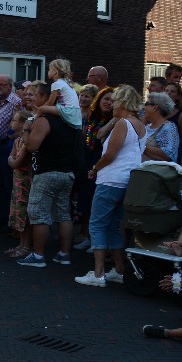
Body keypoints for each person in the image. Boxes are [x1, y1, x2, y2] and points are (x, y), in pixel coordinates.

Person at [74, 84, 146, 287]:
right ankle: (119, 269)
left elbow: (110, 155)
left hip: (111, 180)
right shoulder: (138, 123)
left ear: (122, 102)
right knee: (114, 226)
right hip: (127, 181)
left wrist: (95, 168)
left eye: (115, 100)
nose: (111, 103)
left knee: (97, 225)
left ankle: (98, 274)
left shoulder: (123, 123)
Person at [17, 82, 80, 268]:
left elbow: (32, 146)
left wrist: (27, 130)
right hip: (66, 172)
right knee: (63, 214)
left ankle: (38, 256)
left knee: (38, 214)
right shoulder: (68, 119)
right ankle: (64, 254)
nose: (30, 98)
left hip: (47, 173)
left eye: (34, 95)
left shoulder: (44, 119)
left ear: (46, 97)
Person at [74, 87, 114, 250]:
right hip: (87, 161)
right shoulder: (91, 117)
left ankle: (97, 240)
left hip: (102, 164)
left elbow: (102, 139)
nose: (108, 103)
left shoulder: (115, 120)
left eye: (112, 100)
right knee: (86, 201)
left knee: (97, 204)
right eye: (106, 99)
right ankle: (86, 235)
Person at [0, 75, 23, 229]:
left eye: (2, 84)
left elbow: (19, 124)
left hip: (7, 145)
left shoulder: (16, 102)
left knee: (8, 183)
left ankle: (9, 219)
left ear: (10, 86)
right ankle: (0, 217)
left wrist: (10, 137)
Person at [5, 111, 34, 258]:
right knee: (18, 212)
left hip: (25, 182)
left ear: (23, 124)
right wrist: (12, 159)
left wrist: (12, 159)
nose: (12, 123)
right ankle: (21, 244)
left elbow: (15, 161)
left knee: (24, 213)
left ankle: (26, 246)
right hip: (17, 181)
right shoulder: (18, 140)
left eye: (15, 120)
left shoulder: (26, 143)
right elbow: (11, 158)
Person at [35, 58, 82, 129]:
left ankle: (33, 121)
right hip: (75, 111)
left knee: (41, 109)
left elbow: (50, 102)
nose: (48, 71)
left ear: (54, 72)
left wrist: (41, 108)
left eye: (49, 69)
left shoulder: (56, 84)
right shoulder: (66, 82)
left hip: (67, 110)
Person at [143, 92, 180, 162]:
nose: (144, 107)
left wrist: (143, 146)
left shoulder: (169, 128)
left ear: (155, 107)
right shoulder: (147, 127)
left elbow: (169, 155)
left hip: (157, 171)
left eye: (146, 104)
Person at [164, 81, 182, 152]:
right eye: (166, 90)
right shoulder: (157, 111)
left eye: (172, 91)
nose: (168, 93)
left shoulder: (181, 115)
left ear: (178, 96)